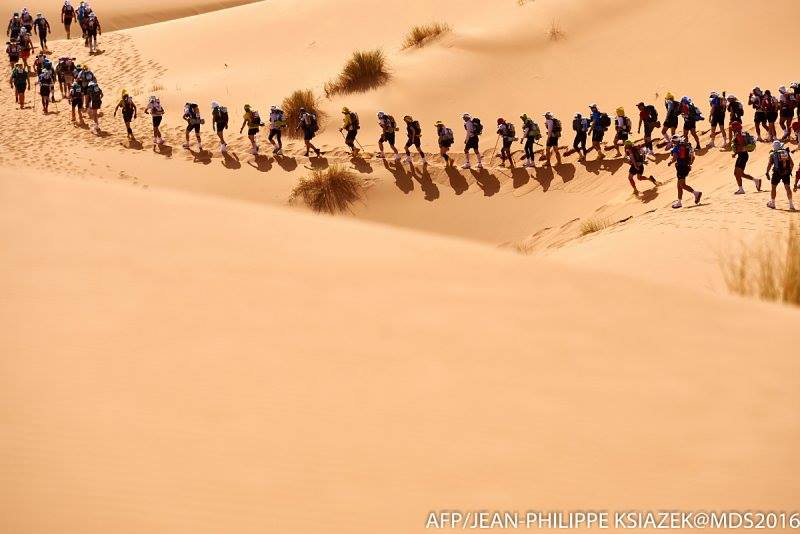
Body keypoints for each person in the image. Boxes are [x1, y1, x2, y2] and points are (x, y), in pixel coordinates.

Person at [667, 135, 702, 208]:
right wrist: (689, 163)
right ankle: (679, 202)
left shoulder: (677, 148)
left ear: (675, 141)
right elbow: (693, 156)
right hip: (686, 167)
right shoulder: (686, 146)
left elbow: (674, 158)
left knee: (682, 185)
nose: (672, 142)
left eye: (673, 141)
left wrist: (670, 162)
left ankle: (696, 193)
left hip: (681, 167)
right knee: (679, 185)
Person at [728, 122, 761, 194]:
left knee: (737, 173)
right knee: (740, 174)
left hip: (742, 155)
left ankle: (741, 189)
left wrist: (738, 150)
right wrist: (735, 153)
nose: (732, 129)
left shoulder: (738, 134)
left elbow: (742, 145)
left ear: (735, 128)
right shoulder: (741, 133)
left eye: (732, 127)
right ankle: (756, 180)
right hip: (742, 155)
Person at [765, 141, 795, 210]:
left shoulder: (773, 154)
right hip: (786, 173)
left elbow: (769, 164)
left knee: (773, 187)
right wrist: (789, 171)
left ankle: (773, 203)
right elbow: (792, 164)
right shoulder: (786, 153)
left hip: (776, 173)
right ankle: (791, 205)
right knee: (787, 188)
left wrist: (767, 172)